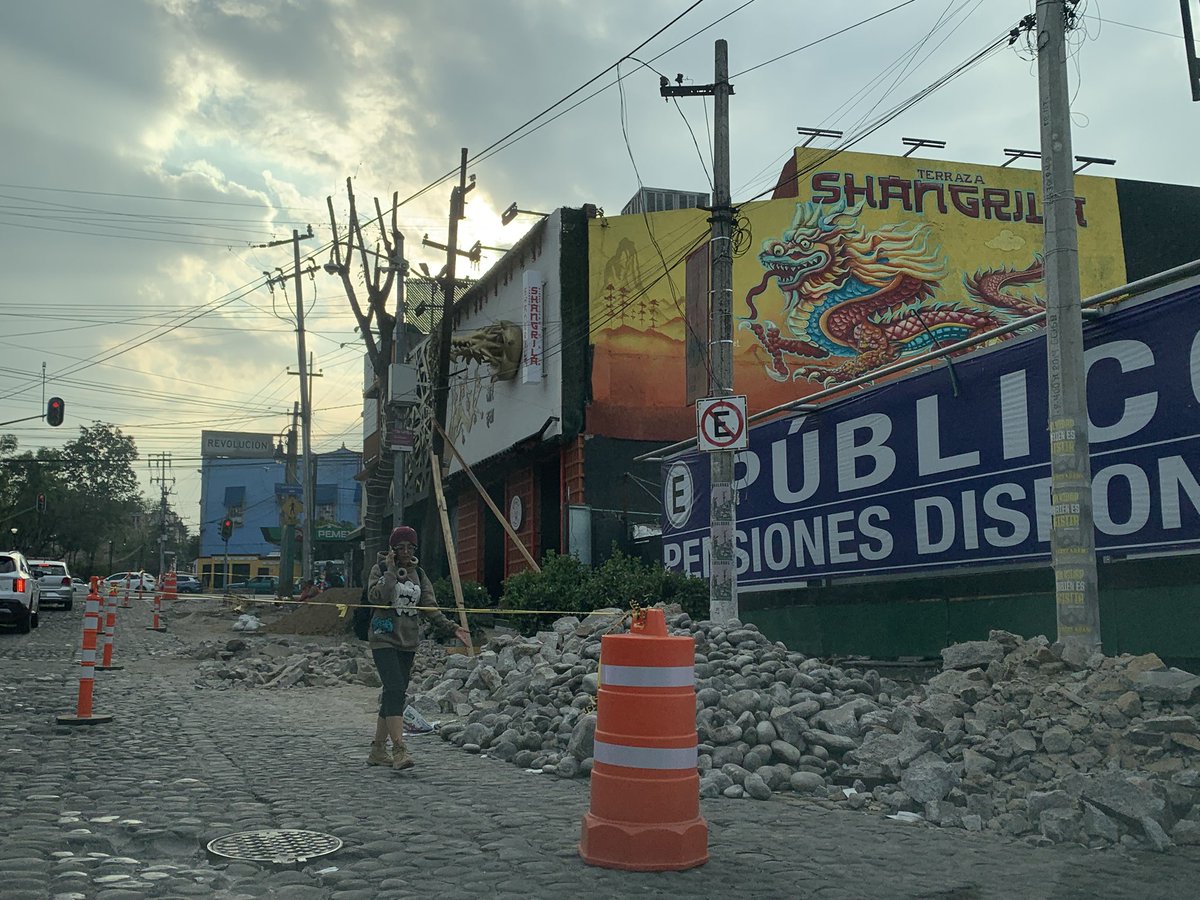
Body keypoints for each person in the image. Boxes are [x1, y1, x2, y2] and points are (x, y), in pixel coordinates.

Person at [366, 525, 470, 770]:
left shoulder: (420, 575)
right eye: (399, 547)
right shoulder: (379, 569)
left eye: (409, 547)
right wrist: (391, 571)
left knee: (396, 692)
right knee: (393, 689)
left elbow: (429, 607)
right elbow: (376, 597)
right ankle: (399, 749)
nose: (404, 551)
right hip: (383, 637)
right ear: (392, 549)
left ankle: (377, 750)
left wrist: (452, 628)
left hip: (408, 641)